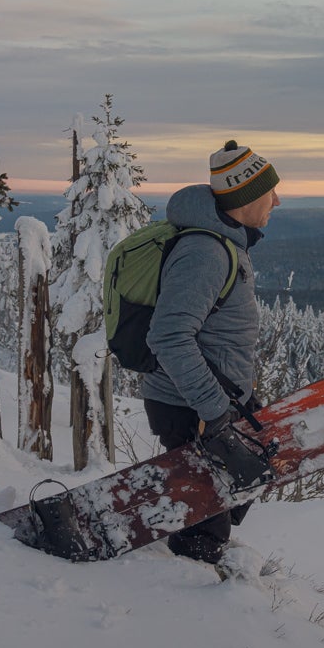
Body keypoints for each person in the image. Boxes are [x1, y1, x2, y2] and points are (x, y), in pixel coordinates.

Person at [139, 139, 282, 564]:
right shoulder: (205, 251)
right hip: (190, 406)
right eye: (269, 191)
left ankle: (193, 568)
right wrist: (214, 410)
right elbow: (168, 336)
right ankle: (191, 593)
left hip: (209, 403)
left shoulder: (224, 244)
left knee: (223, 501)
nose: (278, 199)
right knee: (204, 525)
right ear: (245, 196)